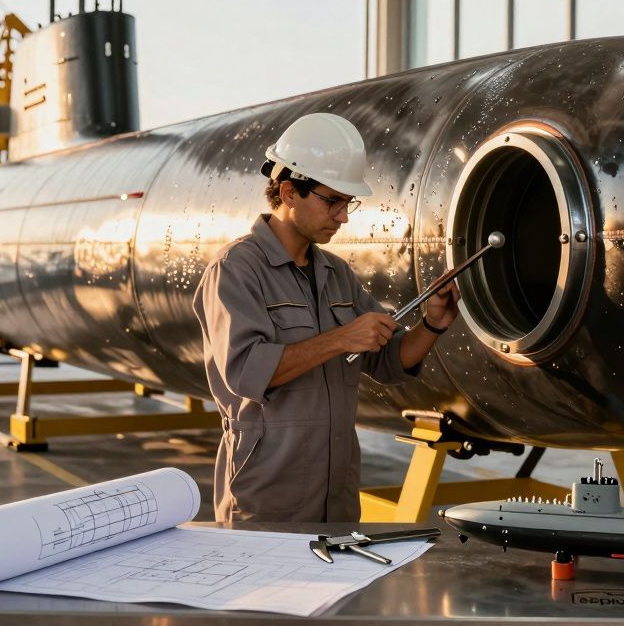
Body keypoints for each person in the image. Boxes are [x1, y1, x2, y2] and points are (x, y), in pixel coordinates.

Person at [192, 113, 459, 523]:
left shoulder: (336, 274)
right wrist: (341, 338)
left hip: (336, 499)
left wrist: (432, 324)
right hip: (268, 498)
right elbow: (246, 371)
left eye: (347, 203)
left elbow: (389, 361)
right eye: (332, 201)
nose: (343, 216)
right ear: (289, 192)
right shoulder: (236, 270)